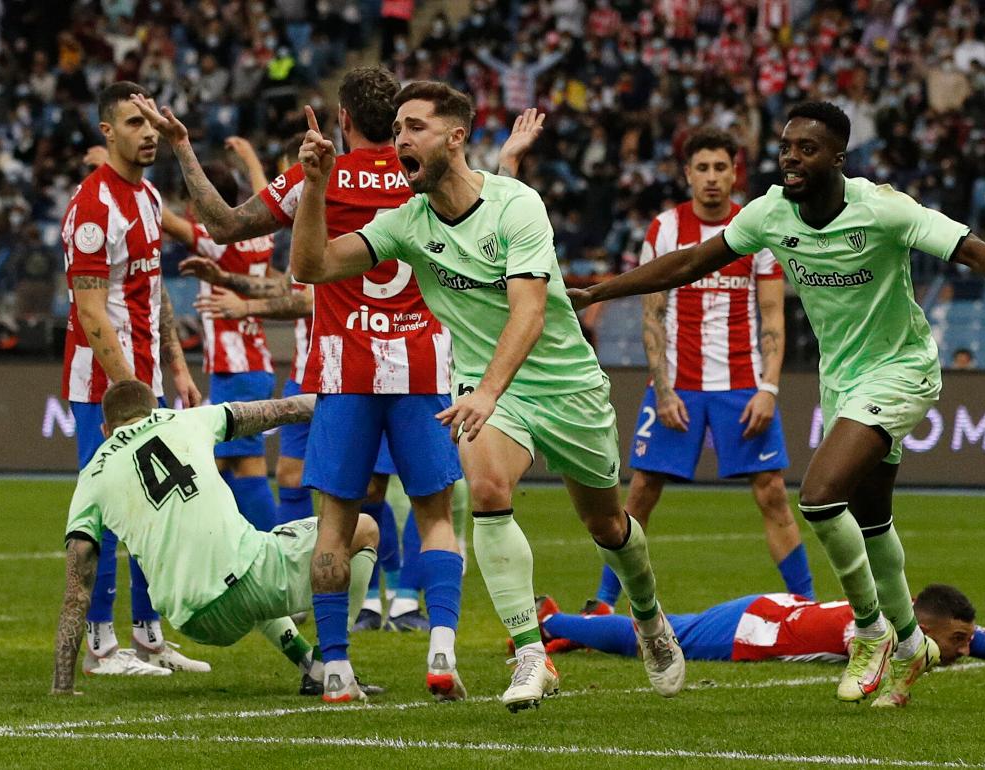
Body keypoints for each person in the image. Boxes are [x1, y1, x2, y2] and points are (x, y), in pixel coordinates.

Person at [570, 101, 985, 708]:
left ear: (839, 158)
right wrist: (602, 289)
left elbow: (973, 249)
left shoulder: (884, 209)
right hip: (841, 379)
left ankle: (870, 631)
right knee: (874, 522)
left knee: (818, 497)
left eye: (806, 149)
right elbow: (691, 262)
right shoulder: (769, 213)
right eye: (786, 147)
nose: (791, 158)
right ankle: (911, 644)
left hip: (901, 370)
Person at [288, 81, 686, 713]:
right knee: (490, 494)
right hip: (486, 390)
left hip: (564, 385)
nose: (399, 141)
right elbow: (312, 267)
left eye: (414, 127)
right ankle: (531, 656)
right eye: (395, 130)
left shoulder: (519, 205)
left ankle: (648, 614)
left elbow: (528, 313)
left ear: (454, 137)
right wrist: (314, 185)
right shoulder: (405, 222)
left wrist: (490, 389)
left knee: (607, 525)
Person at [135, 68, 467, 704]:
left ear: (342, 119)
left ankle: (336, 669)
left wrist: (182, 145)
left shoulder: (325, 176)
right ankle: (442, 650)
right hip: (424, 366)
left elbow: (226, 223)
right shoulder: (428, 175)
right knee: (435, 518)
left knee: (335, 526)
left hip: (343, 372)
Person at [581, 126, 812, 622]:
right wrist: (662, 390)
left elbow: (773, 317)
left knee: (772, 493)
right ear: (687, 174)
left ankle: (808, 605)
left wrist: (769, 389)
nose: (711, 178)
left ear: (735, 173)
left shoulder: (759, 226)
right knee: (641, 491)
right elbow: (652, 315)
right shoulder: (665, 230)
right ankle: (602, 602)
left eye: (720, 168)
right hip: (678, 384)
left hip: (743, 385)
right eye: (702, 168)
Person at [52, 381, 379, 696]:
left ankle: (309, 664)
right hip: (247, 581)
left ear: (105, 431)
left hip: (190, 618)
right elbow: (285, 408)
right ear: (155, 411)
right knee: (362, 528)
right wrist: (346, 405)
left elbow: (76, 587)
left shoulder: (91, 476)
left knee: (250, 549)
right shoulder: (186, 419)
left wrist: (62, 682)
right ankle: (332, 662)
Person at [60, 81, 208, 677]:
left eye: (151, 121)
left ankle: (148, 634)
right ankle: (100, 645)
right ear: (107, 132)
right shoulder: (94, 210)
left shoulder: (146, 197)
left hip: (146, 379)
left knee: (158, 505)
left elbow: (153, 294)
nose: (148, 133)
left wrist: (175, 366)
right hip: (104, 389)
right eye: (133, 122)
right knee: (109, 513)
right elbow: (92, 313)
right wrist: (132, 394)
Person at [535, 585, 985, 676]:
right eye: (961, 640)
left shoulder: (930, 625)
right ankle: (549, 623)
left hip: (777, 609)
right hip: (754, 631)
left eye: (968, 640)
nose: (968, 648)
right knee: (656, 641)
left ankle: (574, 626)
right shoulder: (901, 631)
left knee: (663, 628)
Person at [162, 155, 279, 532]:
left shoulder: (218, 241)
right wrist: (250, 159)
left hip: (238, 369)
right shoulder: (261, 233)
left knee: (244, 464)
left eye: (192, 202)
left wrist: (118, 175)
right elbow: (269, 199)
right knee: (222, 464)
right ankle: (233, 543)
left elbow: (170, 224)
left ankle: (273, 546)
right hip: (249, 364)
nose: (189, 210)